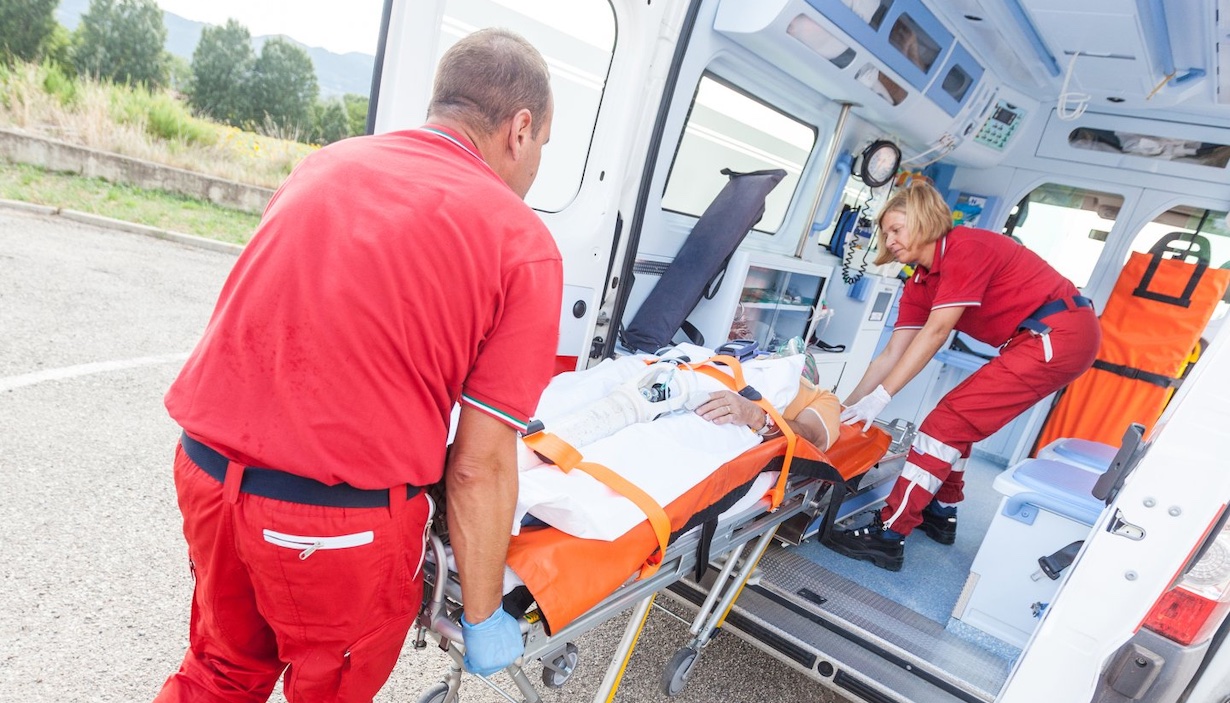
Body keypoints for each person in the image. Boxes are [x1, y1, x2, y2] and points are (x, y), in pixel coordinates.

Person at [154, 28, 562, 702]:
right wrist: (483, 611)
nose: (536, 162)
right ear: (520, 129)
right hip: (329, 526)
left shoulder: (327, 164)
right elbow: (479, 467)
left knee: (219, 671)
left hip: (207, 473)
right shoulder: (520, 242)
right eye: (543, 144)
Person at [824, 181, 1100, 571]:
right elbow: (892, 353)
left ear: (923, 222)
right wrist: (846, 409)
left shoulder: (965, 247)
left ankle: (888, 534)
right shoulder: (919, 281)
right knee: (960, 419)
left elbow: (936, 332)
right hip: (1039, 338)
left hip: (1061, 334)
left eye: (897, 229)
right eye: (886, 233)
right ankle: (941, 511)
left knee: (946, 422)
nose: (890, 240)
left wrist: (882, 398)